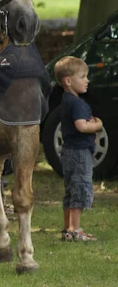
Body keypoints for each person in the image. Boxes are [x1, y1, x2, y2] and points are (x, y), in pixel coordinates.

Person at [54, 56, 102, 242]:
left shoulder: (66, 100)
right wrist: (98, 125)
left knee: (71, 189)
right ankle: (75, 230)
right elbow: (82, 126)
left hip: (69, 151)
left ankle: (68, 228)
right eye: (83, 77)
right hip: (79, 153)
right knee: (80, 187)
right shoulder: (78, 103)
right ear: (68, 80)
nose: (87, 80)